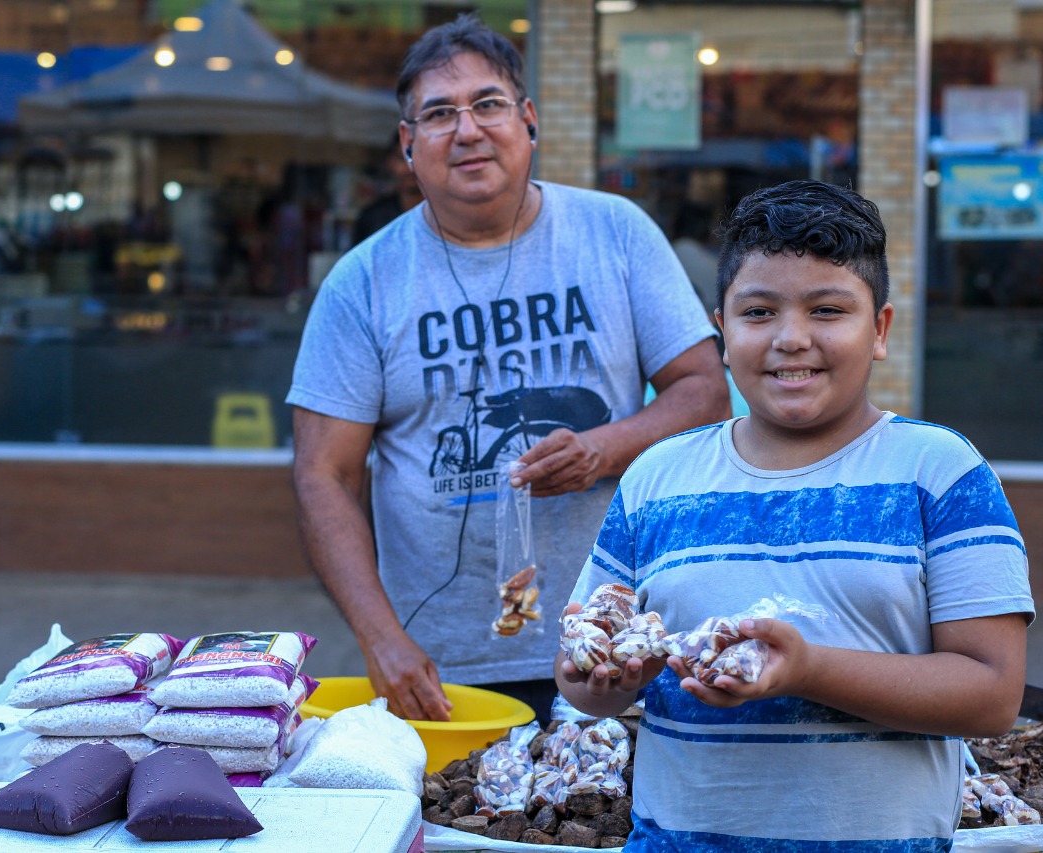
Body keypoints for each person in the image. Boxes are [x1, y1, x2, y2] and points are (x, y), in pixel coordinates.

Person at [555, 180, 1033, 850]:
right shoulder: (655, 478)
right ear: (721, 331)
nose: (791, 338)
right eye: (758, 312)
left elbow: (991, 693)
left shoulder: (940, 472)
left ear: (881, 330)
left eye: (828, 309)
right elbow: (588, 674)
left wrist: (809, 669)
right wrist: (598, 678)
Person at [287, 13, 730, 725]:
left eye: (488, 104)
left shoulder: (615, 233)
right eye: (437, 114)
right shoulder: (362, 281)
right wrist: (381, 639)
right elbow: (324, 475)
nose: (467, 130)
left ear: (527, 121)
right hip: (439, 669)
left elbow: (705, 391)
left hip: (618, 650)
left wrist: (598, 450)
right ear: (408, 144)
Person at [350, 132, 423, 246]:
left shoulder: (448, 215)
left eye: (418, 157)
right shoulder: (373, 217)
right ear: (390, 162)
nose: (410, 168)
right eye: (402, 159)